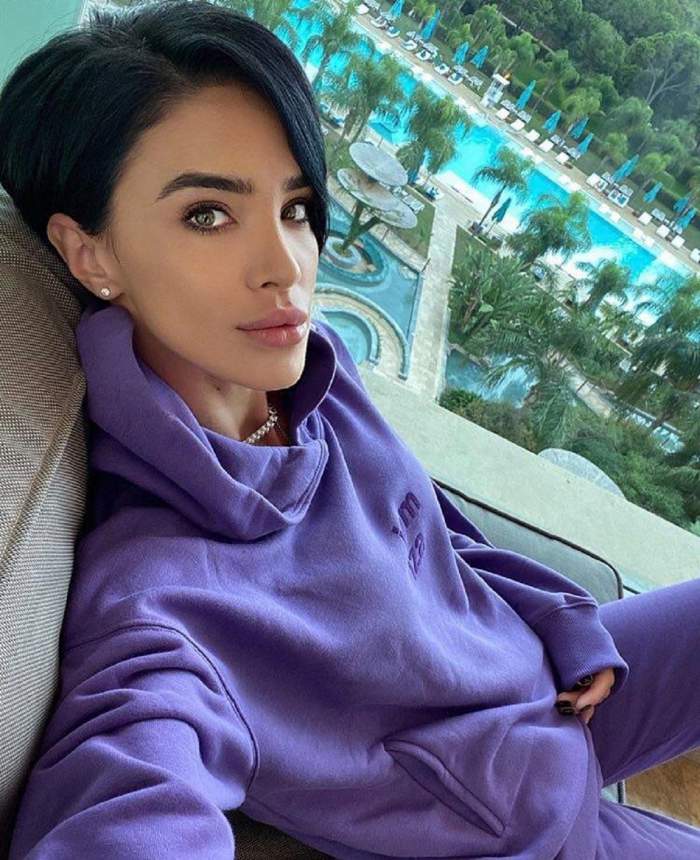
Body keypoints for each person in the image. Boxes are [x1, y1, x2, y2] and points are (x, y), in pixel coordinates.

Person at [0, 2, 698, 858]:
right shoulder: (159, 602)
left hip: (555, 687)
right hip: (525, 823)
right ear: (91, 254)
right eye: (208, 214)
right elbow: (131, 792)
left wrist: (560, 620)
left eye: (295, 208)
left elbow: (432, 531)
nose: (285, 267)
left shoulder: (312, 377)